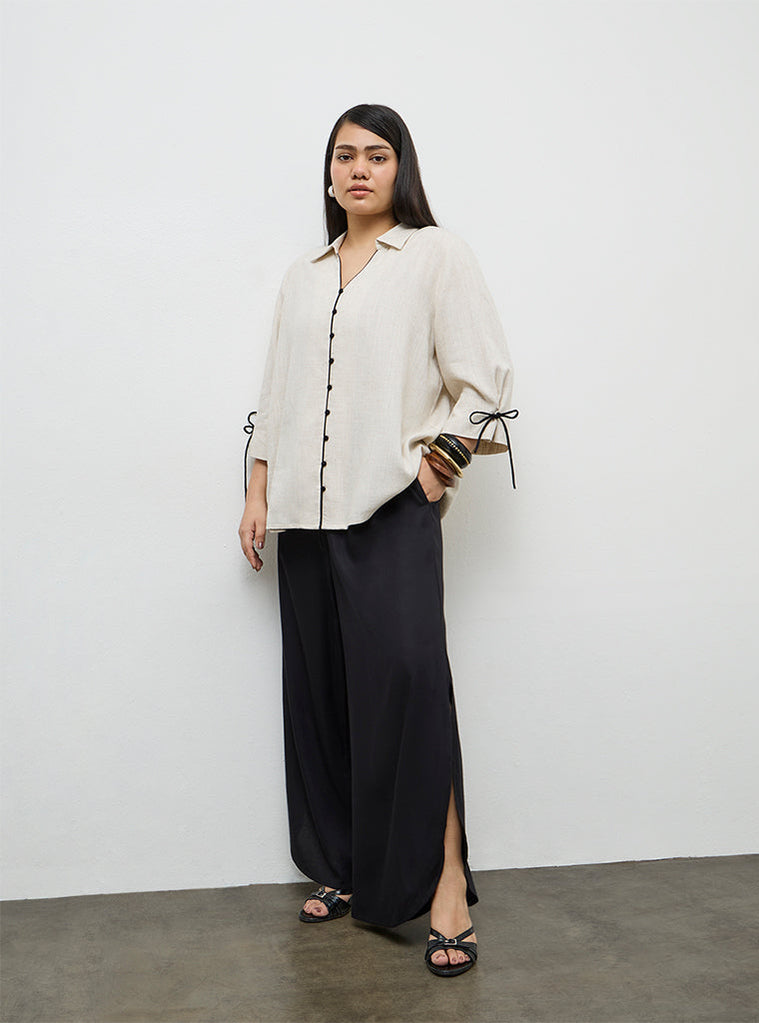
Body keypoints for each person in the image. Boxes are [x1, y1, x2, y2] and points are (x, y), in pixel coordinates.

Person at [238, 103, 517, 978]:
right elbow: (277, 389)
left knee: (409, 691)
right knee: (324, 693)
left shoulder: (434, 255)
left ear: (401, 168)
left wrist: (434, 470)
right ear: (328, 174)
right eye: (344, 156)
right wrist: (257, 488)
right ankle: (345, 864)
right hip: (304, 515)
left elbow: (485, 380)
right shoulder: (304, 276)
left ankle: (445, 883)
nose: (358, 169)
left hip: (389, 508)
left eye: (377, 155)